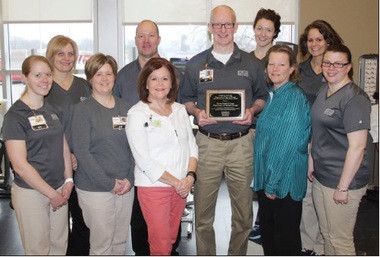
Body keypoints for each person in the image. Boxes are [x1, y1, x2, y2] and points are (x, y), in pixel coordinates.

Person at [180, 5, 268, 255]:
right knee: (203, 215)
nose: (222, 30)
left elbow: (262, 97)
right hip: (207, 144)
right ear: (210, 28)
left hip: (242, 144)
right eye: (217, 25)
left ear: (235, 26)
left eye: (227, 24)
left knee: (243, 213)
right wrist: (197, 112)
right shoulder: (196, 64)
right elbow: (185, 99)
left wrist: (252, 110)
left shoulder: (251, 64)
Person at [113, 19, 182, 256]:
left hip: (168, 161)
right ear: (135, 41)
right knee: (140, 217)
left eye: (151, 35)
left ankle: (168, 250)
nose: (146, 41)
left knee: (169, 223)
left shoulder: (169, 72)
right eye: (141, 36)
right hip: (134, 156)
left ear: (159, 39)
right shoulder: (122, 76)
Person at [1, 55, 73, 255]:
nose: (45, 80)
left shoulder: (50, 109)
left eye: (48, 74)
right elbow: (19, 165)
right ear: (25, 78)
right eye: (38, 75)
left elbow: (63, 146)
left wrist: (68, 180)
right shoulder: (15, 116)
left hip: (59, 188)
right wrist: (51, 194)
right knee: (38, 250)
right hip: (32, 194)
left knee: (59, 246)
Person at [125, 57, 198, 255]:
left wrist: (190, 178)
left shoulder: (180, 110)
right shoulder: (137, 114)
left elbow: (192, 146)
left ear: (172, 83)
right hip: (154, 188)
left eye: (165, 79)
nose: (160, 84)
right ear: (145, 83)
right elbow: (144, 161)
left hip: (181, 188)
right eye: (154, 78)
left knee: (171, 239)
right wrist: (177, 182)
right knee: (161, 243)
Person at [310, 44, 371, 255]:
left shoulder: (354, 98)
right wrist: (312, 161)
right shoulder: (323, 90)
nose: (331, 68)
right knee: (327, 235)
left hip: (343, 180)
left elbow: (358, 146)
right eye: (327, 62)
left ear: (348, 67)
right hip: (322, 175)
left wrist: (343, 187)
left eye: (338, 63)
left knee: (340, 240)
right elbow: (318, 131)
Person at [71, 53, 135, 255]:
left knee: (119, 242)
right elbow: (82, 152)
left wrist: (130, 179)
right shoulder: (82, 110)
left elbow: (135, 147)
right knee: (102, 245)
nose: (105, 79)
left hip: (126, 186)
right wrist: (109, 183)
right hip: (95, 188)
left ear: (115, 77)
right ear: (90, 78)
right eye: (99, 74)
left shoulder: (126, 107)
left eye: (109, 73)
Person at [253, 45, 311, 255]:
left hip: (282, 185)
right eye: (271, 64)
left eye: (281, 64)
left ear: (292, 69)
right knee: (270, 239)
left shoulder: (293, 98)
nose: (275, 69)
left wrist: (272, 184)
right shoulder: (273, 96)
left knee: (285, 243)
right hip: (268, 182)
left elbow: (287, 146)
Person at [298, 20, 344, 256]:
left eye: (319, 39)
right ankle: (309, 244)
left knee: (329, 195)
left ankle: (329, 244)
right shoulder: (300, 70)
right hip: (306, 139)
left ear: (328, 40)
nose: (314, 44)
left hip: (331, 141)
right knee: (307, 195)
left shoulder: (335, 68)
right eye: (310, 40)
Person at [45, 34, 91, 256]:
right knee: (57, 222)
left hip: (83, 163)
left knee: (82, 218)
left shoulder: (84, 86)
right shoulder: (43, 86)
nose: (66, 58)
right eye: (60, 53)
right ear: (51, 56)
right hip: (53, 164)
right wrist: (65, 156)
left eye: (70, 53)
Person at [248, 8, 281, 242]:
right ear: (253, 29)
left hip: (271, 129)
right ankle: (252, 224)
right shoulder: (246, 59)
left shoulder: (278, 60)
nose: (263, 33)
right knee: (251, 177)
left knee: (269, 176)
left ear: (275, 33)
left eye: (268, 29)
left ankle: (265, 224)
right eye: (260, 28)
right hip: (248, 127)